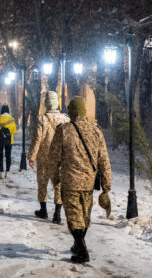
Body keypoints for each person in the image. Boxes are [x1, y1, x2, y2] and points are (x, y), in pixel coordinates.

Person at [49, 96, 112, 264]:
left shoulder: (64, 130)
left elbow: (53, 159)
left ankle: (82, 252)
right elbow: (104, 160)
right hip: (89, 183)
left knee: (73, 218)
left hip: (70, 182)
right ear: (84, 111)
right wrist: (106, 186)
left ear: (70, 112)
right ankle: (78, 245)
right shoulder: (96, 131)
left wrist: (55, 180)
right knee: (84, 217)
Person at [28, 91, 70, 223]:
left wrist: (32, 156)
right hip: (60, 159)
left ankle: (43, 210)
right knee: (58, 185)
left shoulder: (42, 119)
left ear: (46, 104)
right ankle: (57, 214)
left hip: (44, 158)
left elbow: (37, 139)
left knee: (42, 184)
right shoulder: (65, 119)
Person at [0, 105, 16, 180]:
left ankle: (1, 173)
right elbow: (14, 131)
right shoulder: (11, 119)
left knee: (0, 156)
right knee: (8, 156)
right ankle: (8, 173)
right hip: (9, 141)